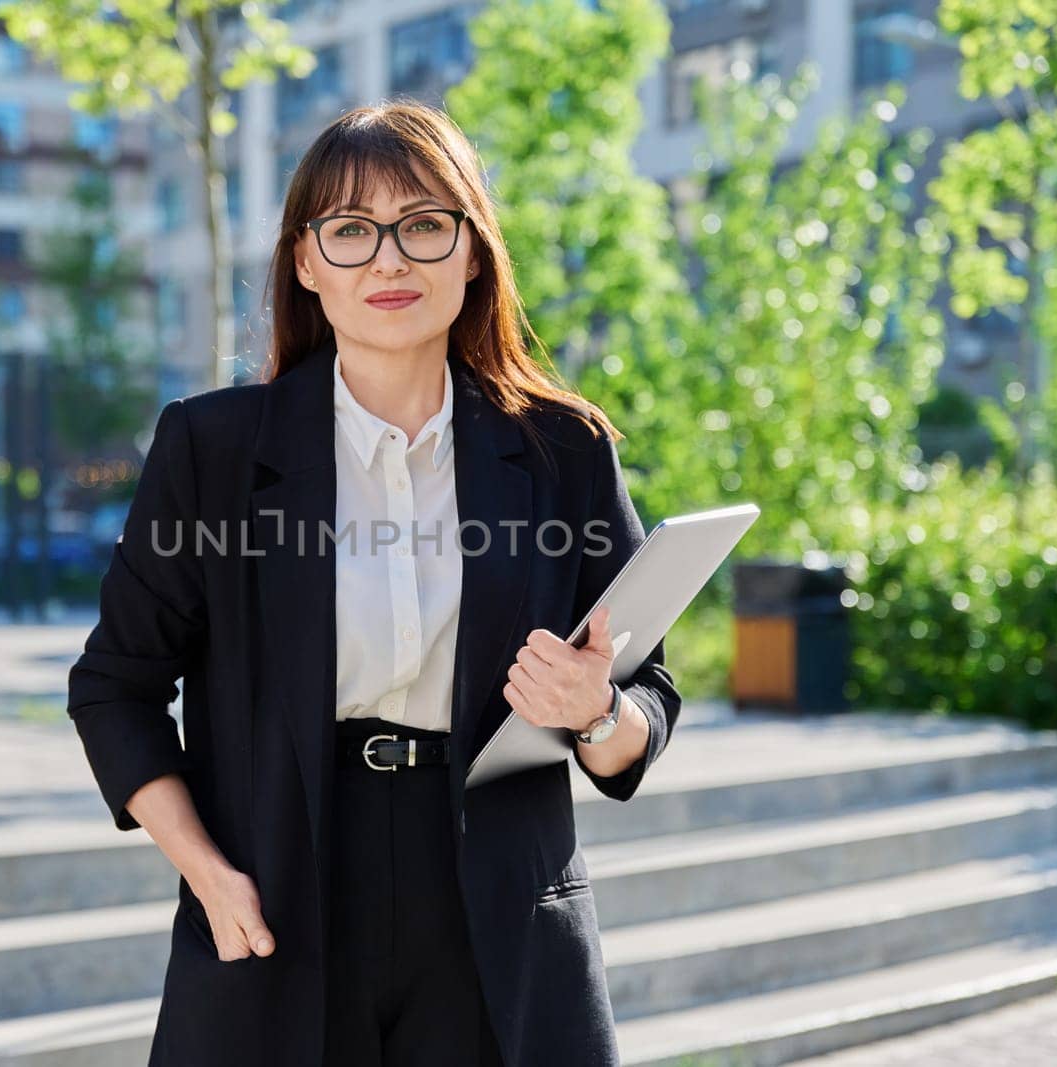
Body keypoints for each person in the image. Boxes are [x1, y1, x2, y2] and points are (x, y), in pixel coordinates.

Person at [67, 101, 682, 1067]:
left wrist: (597, 710)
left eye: (423, 226)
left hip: (494, 898)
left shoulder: (565, 449)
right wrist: (210, 878)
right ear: (307, 264)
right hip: (279, 882)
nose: (389, 261)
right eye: (350, 231)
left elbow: (651, 692)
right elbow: (115, 688)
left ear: (472, 251)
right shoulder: (214, 449)